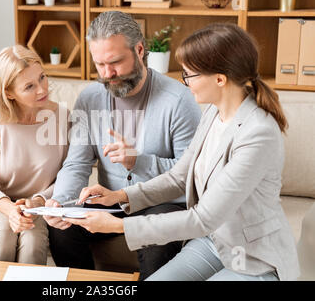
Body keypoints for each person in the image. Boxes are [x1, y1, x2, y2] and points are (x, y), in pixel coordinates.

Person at [66, 23, 300, 281]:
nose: (185, 82)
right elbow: (179, 176)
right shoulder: (214, 112)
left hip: (253, 257)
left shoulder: (259, 133)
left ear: (219, 79)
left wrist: (119, 225)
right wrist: (119, 195)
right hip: (212, 243)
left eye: (189, 75)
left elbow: (204, 218)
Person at [44, 11, 201, 279]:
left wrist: (137, 161)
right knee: (62, 229)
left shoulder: (179, 100)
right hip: (108, 197)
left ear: (139, 50)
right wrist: (60, 202)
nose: (107, 74)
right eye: (99, 64)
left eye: (115, 62)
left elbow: (190, 175)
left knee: (157, 245)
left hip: (162, 202)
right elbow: (77, 162)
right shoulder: (90, 98)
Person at [0, 45, 69, 264]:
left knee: (33, 243)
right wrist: (10, 209)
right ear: (8, 93)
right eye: (29, 86)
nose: (42, 89)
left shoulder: (62, 116)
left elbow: (67, 176)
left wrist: (36, 202)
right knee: (3, 234)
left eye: (42, 78)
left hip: (40, 201)